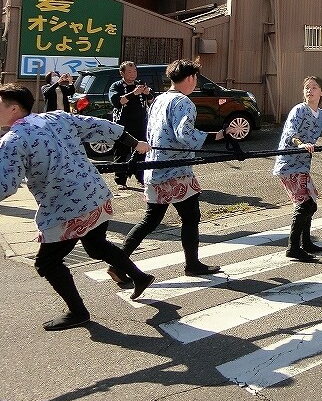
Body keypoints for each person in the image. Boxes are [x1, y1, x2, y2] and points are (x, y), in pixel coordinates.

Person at [0, 84, 155, 330]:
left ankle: (78, 312)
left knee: (47, 263)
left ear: (14, 109)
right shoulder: (56, 118)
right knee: (96, 246)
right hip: (95, 194)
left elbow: (5, 184)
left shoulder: (13, 140)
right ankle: (140, 277)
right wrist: (134, 143)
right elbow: (99, 125)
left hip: (66, 208)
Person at [120, 60, 223, 278]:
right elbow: (185, 135)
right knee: (191, 217)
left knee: (150, 220)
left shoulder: (160, 98)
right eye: (195, 78)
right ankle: (192, 265)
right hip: (176, 170)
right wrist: (216, 136)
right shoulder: (184, 102)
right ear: (191, 78)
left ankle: (118, 264)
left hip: (155, 166)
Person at [274, 76, 322, 262]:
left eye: (314, 87)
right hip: (288, 164)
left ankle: (306, 243)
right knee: (304, 204)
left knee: (311, 203)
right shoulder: (299, 110)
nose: (309, 90)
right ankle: (293, 248)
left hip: (302, 165)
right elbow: (290, 132)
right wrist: (300, 143)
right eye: (307, 87)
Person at [108, 61, 153, 187]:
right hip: (123, 125)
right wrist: (134, 93)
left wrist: (147, 93)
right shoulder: (116, 86)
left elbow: (151, 101)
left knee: (141, 153)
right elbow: (117, 102)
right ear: (122, 73)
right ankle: (120, 180)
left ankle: (141, 178)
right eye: (129, 71)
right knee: (121, 154)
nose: (133, 74)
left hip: (141, 125)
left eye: (134, 71)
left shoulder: (140, 84)